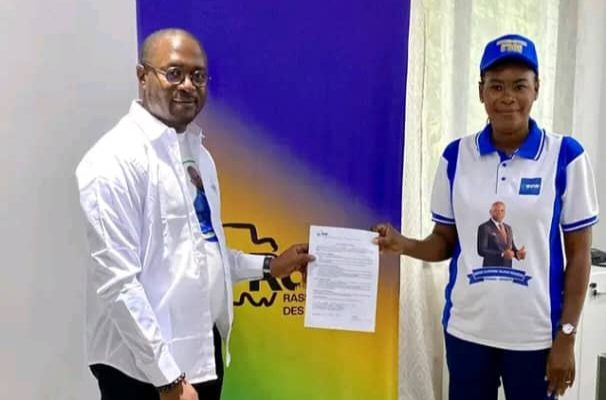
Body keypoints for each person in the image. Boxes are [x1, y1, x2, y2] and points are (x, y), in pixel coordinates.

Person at [76, 28, 314, 400]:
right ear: (142, 76)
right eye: (174, 73)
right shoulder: (113, 161)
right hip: (141, 371)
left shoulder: (198, 156)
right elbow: (118, 285)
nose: (188, 85)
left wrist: (270, 266)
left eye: (198, 76)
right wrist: (168, 380)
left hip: (201, 352)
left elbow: (202, 254)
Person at [373, 33, 598, 400]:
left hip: (536, 338)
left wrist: (567, 336)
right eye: (496, 86)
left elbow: (579, 255)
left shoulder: (565, 156)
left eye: (519, 86)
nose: (507, 97)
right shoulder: (456, 157)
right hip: (467, 332)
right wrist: (403, 244)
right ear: (481, 92)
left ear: (536, 89)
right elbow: (444, 241)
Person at [477, 200, 526, 267]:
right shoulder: (485, 227)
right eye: (496, 210)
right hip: (491, 269)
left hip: (507, 268)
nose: (499, 213)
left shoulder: (508, 228)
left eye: (502, 210)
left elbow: (511, 248)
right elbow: (481, 250)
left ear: (505, 212)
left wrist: (517, 254)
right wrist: (501, 254)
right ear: (490, 212)